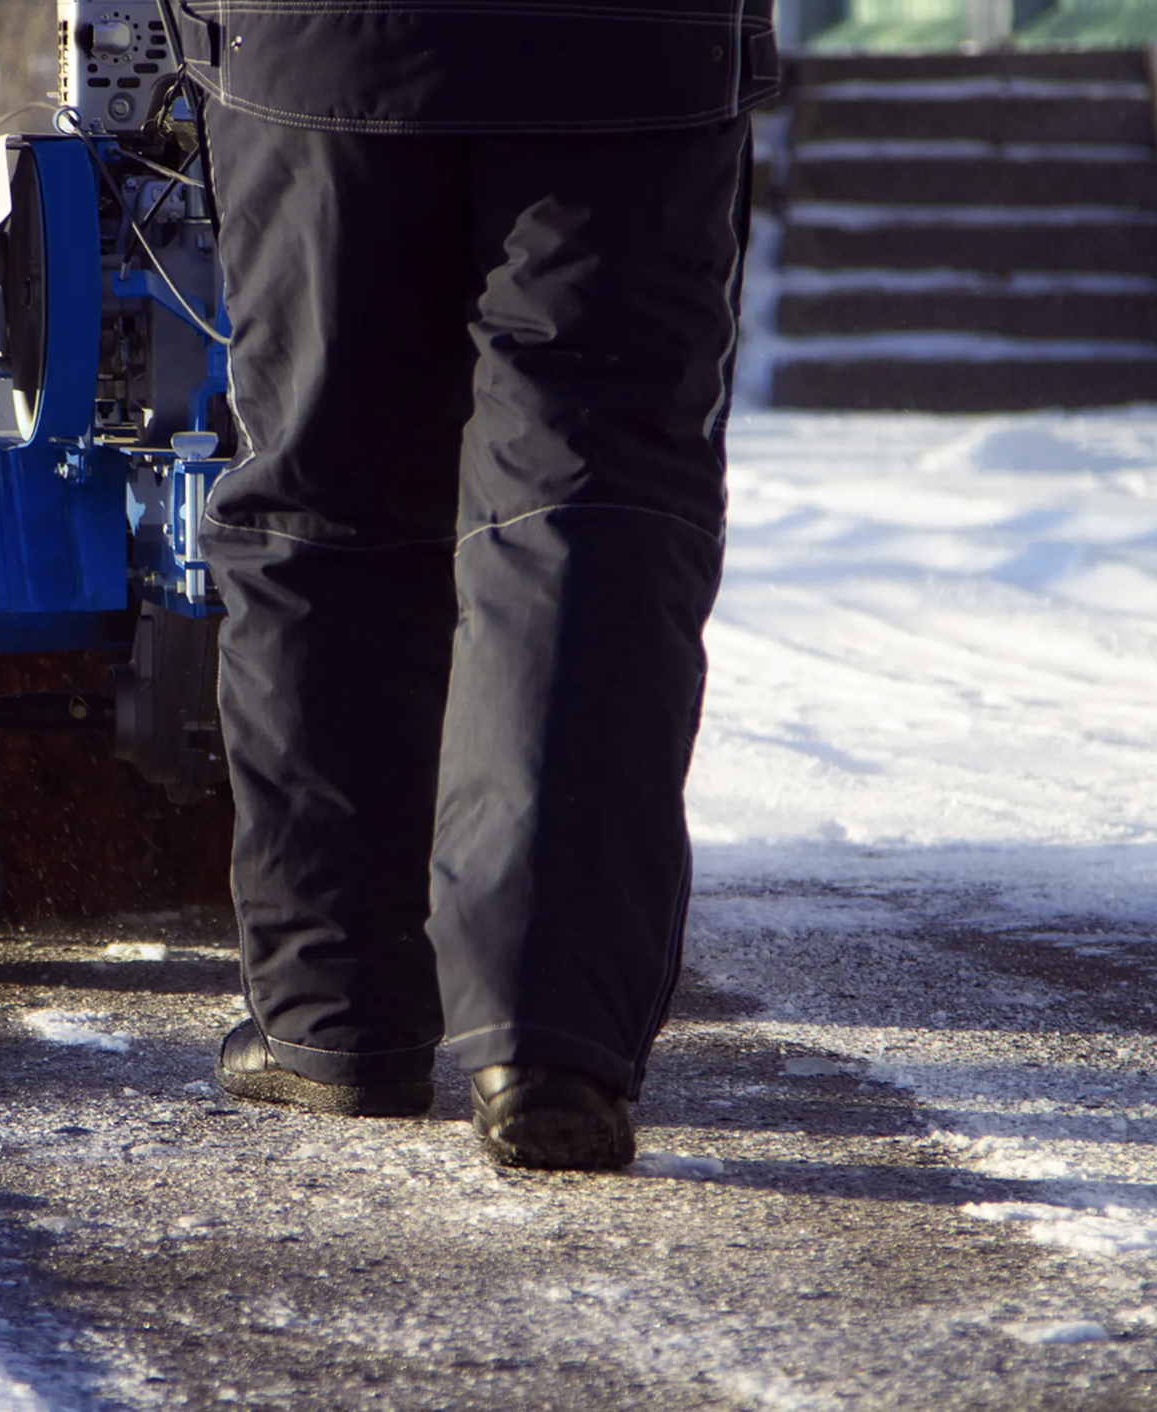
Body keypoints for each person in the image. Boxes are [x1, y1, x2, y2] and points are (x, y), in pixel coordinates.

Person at [179, 1, 780, 1170]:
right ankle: (544, 1041)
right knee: (584, 503)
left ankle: (333, 1016)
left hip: (316, 47)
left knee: (324, 501)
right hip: (625, 55)